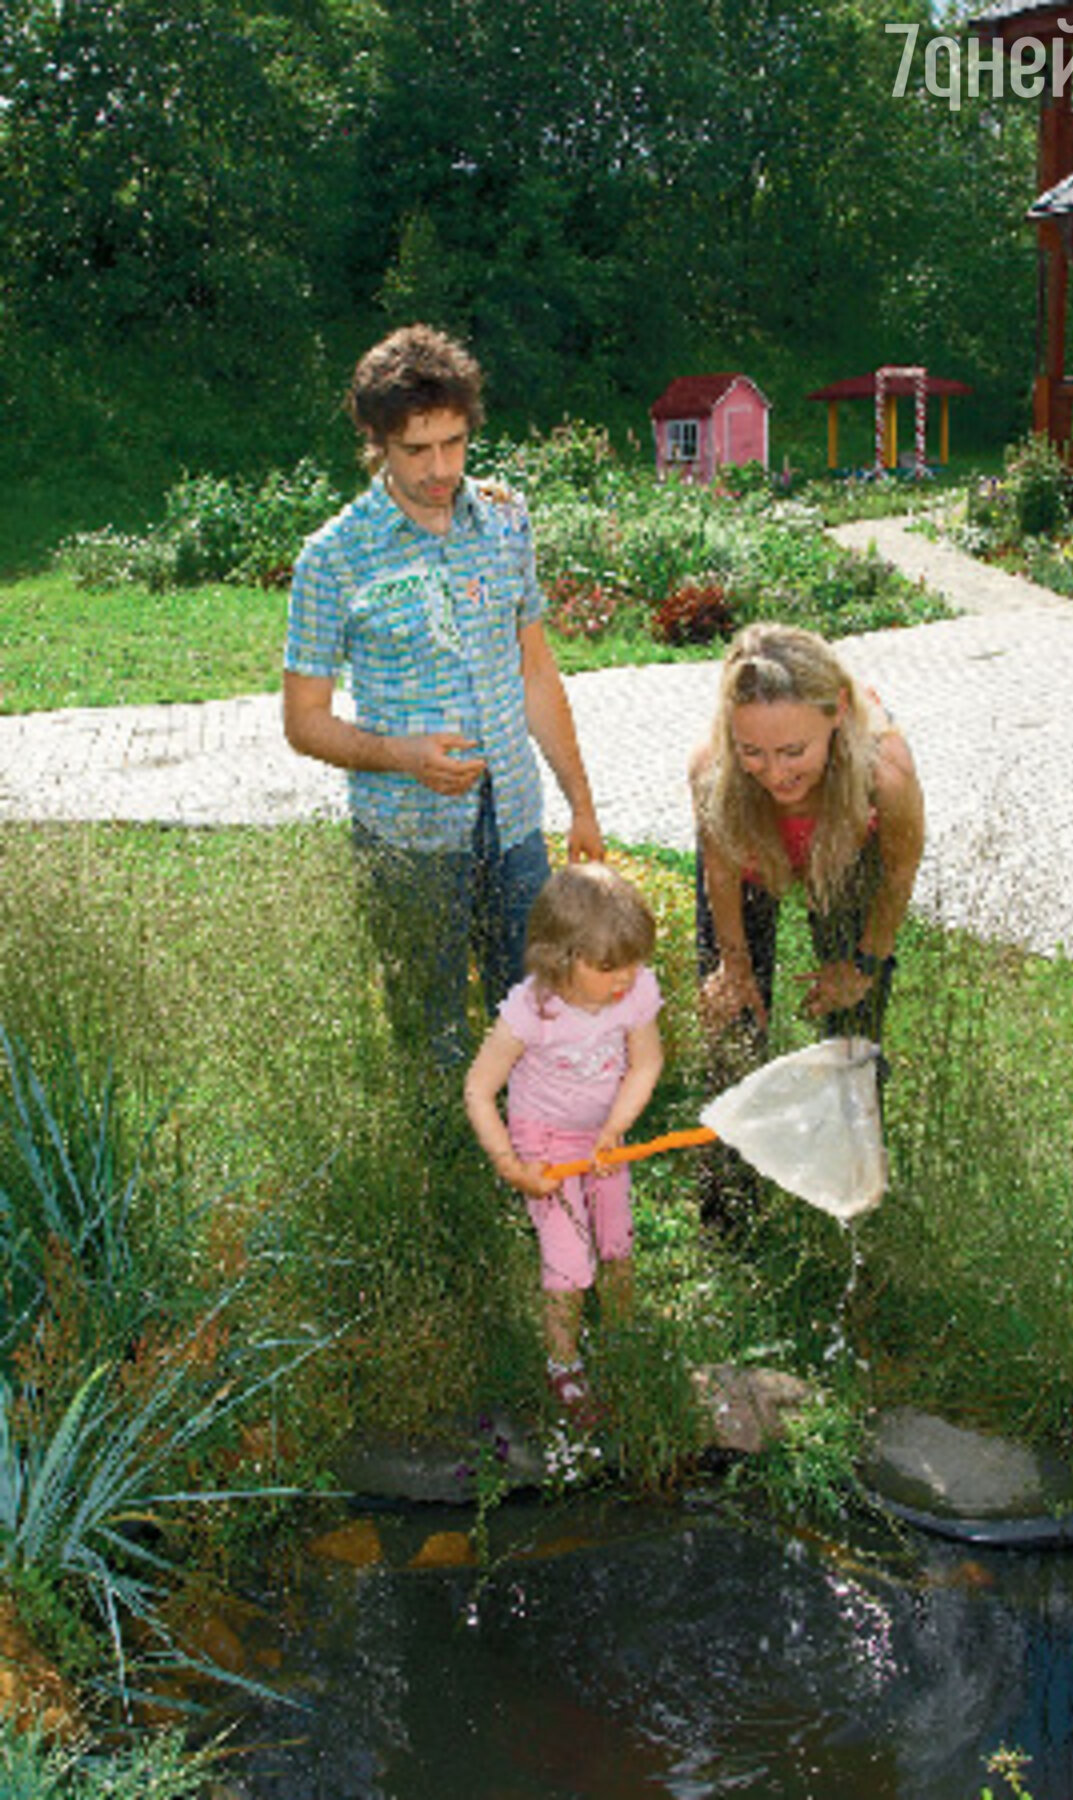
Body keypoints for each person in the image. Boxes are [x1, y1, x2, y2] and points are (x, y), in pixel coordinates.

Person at [283, 323, 603, 1065]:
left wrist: (579, 802)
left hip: (516, 822)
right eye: (416, 450)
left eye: (454, 444)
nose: (440, 468)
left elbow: (537, 674)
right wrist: (399, 755)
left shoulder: (504, 521)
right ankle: (444, 1170)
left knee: (530, 1015)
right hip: (409, 834)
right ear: (375, 440)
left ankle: (525, 1162)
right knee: (429, 1036)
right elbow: (302, 722)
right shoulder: (332, 559)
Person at [689, 622, 925, 1231]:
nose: (774, 773)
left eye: (793, 751)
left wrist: (864, 964)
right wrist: (733, 965)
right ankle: (728, 1210)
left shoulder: (883, 773)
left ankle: (852, 1191)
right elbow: (719, 872)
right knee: (732, 1019)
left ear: (837, 713)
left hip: (847, 847)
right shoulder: (713, 772)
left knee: (853, 1031)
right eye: (753, 752)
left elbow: (897, 875)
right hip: (749, 852)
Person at [463, 863, 663, 1419]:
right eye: (608, 967)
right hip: (544, 1146)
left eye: (633, 963)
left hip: (603, 1141)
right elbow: (479, 1090)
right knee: (571, 1262)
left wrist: (614, 1128)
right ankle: (564, 1364)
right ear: (560, 958)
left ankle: (622, 1340)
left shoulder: (634, 990)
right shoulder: (532, 1011)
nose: (625, 978)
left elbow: (646, 1063)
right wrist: (510, 1163)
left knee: (617, 1243)